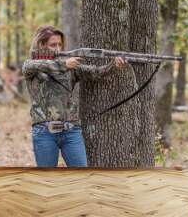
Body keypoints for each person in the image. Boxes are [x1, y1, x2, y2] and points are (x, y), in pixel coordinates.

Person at [22, 25, 128, 167]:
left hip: (71, 131)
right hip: (44, 132)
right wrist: (64, 64)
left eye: (60, 44)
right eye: (53, 45)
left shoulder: (70, 66)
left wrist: (114, 65)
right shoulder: (32, 65)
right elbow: (32, 66)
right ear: (41, 45)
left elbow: (96, 72)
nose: (58, 48)